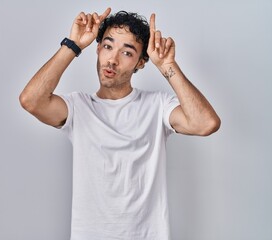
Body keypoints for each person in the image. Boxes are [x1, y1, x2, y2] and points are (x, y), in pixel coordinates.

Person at [19, 7, 221, 240]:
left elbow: (205, 123)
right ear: (97, 49)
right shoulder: (78, 107)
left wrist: (167, 66)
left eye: (127, 53)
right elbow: (31, 100)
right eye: (107, 46)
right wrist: (73, 44)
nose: (112, 60)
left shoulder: (157, 106)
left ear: (141, 62)